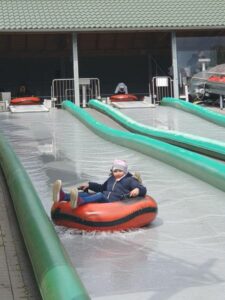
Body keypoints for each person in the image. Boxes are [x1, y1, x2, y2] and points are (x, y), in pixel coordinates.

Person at [52, 159, 147, 208]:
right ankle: (63, 196)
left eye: (120, 171)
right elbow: (102, 187)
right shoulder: (111, 179)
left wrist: (137, 189)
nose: (117, 173)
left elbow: (142, 188)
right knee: (86, 193)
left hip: (114, 202)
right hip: (105, 198)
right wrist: (89, 185)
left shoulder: (130, 180)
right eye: (115, 171)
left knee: (100, 195)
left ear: (125, 171)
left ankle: (80, 201)